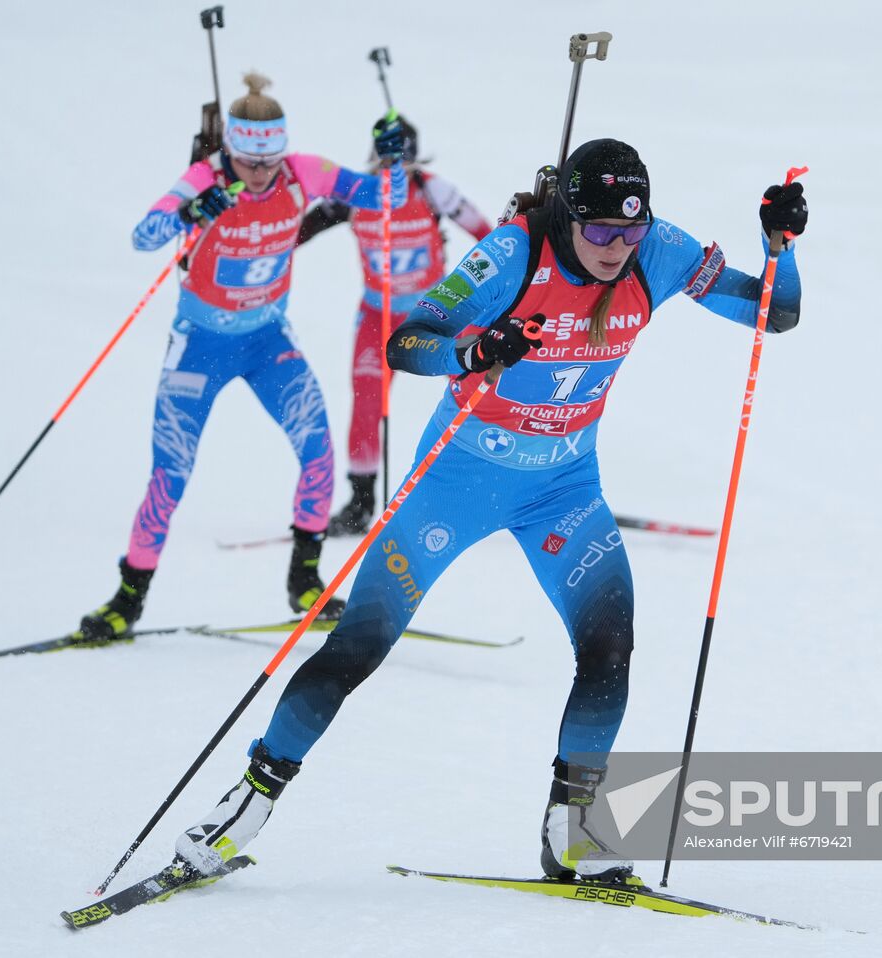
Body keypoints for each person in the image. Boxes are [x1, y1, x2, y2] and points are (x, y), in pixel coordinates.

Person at [169, 139, 807, 882]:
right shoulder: (510, 256)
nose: (615, 248)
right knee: (358, 648)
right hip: (457, 479)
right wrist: (474, 349)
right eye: (599, 230)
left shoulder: (660, 252)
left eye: (629, 232)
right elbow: (409, 340)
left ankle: (572, 829)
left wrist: (779, 248)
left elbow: (775, 313)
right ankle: (244, 806)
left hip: (564, 488)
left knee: (609, 650)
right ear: (567, 216)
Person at [76, 73, 411, 639]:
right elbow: (143, 235)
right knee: (170, 476)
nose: (260, 175)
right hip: (199, 350)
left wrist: (391, 159)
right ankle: (126, 600)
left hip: (266, 343)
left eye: (270, 161)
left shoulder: (305, 171)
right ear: (230, 150)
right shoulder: (205, 178)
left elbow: (387, 199)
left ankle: (304, 581)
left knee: (319, 453)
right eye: (249, 162)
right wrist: (191, 211)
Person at [294, 113, 493, 535]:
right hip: (378, 315)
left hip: (437, 313)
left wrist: (503, 284)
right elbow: (296, 231)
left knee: (474, 391)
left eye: (403, 162)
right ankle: (361, 502)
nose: (396, 172)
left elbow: (488, 235)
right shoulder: (357, 193)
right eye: (388, 163)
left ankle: (489, 490)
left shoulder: (432, 188)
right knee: (367, 399)